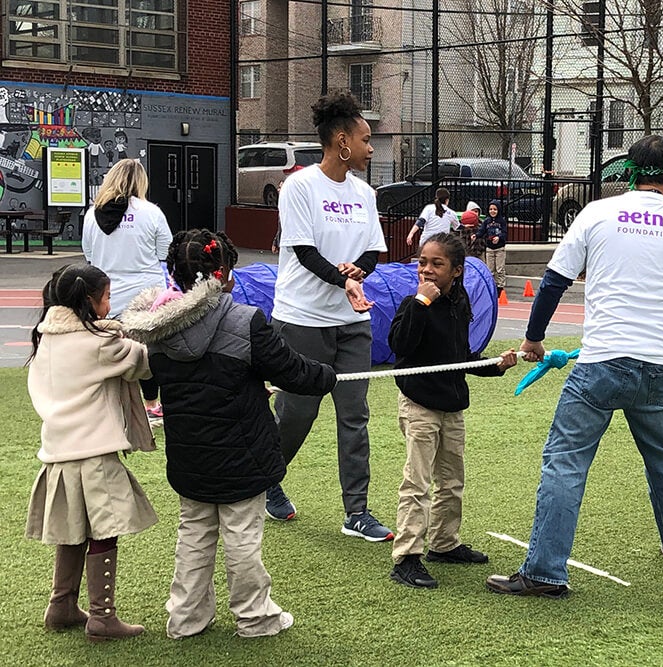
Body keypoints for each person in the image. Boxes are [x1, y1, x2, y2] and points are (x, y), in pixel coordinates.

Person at [486, 135, 663, 598]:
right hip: (658, 367)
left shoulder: (595, 213)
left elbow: (553, 281)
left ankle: (546, 571)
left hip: (602, 362)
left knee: (565, 462)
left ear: (629, 172)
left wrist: (532, 338)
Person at [121, 230, 337, 638]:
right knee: (241, 537)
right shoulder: (245, 320)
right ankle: (255, 616)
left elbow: (152, 384)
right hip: (243, 455)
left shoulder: (155, 330)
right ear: (225, 275)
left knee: (195, 535)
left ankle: (186, 617)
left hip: (189, 456)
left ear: (174, 275)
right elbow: (292, 371)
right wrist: (328, 374)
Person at [268, 91, 392, 540]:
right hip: (302, 320)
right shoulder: (300, 187)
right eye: (365, 139)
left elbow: (375, 250)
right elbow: (303, 252)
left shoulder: (364, 192)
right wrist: (344, 281)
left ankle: (356, 512)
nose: (370, 147)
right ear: (341, 141)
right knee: (296, 414)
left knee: (355, 415)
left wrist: (360, 271)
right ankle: (267, 480)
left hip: (353, 323)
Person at [25, 264, 157, 642]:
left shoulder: (45, 337)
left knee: (73, 530)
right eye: (107, 297)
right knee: (104, 531)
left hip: (57, 450)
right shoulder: (100, 343)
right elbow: (142, 362)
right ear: (89, 300)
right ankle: (102, 617)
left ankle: (61, 604)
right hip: (94, 452)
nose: (110, 303)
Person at [387, 233, 518, 589]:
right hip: (419, 406)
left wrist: (497, 365)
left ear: (456, 271)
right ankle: (407, 557)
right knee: (417, 482)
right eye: (422, 262)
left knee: (452, 480)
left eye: (436, 264)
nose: (426, 270)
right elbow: (399, 346)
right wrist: (420, 302)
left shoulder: (460, 305)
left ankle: (444, 544)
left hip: (451, 406)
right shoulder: (411, 304)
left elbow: (461, 359)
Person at [81, 158, 172, 424]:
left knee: (109, 351)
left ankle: (109, 406)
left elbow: (88, 255)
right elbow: (166, 252)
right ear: (141, 181)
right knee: (150, 353)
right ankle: (152, 404)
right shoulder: (151, 212)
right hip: (147, 293)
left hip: (105, 294)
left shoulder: (91, 213)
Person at [476, 200, 508, 296]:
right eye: (490, 209)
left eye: (495, 209)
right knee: (490, 269)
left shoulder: (501, 221)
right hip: (489, 248)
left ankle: (500, 286)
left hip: (499, 248)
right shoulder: (487, 221)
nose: (492, 211)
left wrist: (499, 237)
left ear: (498, 210)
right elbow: (482, 231)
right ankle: (492, 285)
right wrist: (476, 235)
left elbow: (504, 233)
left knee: (499, 268)